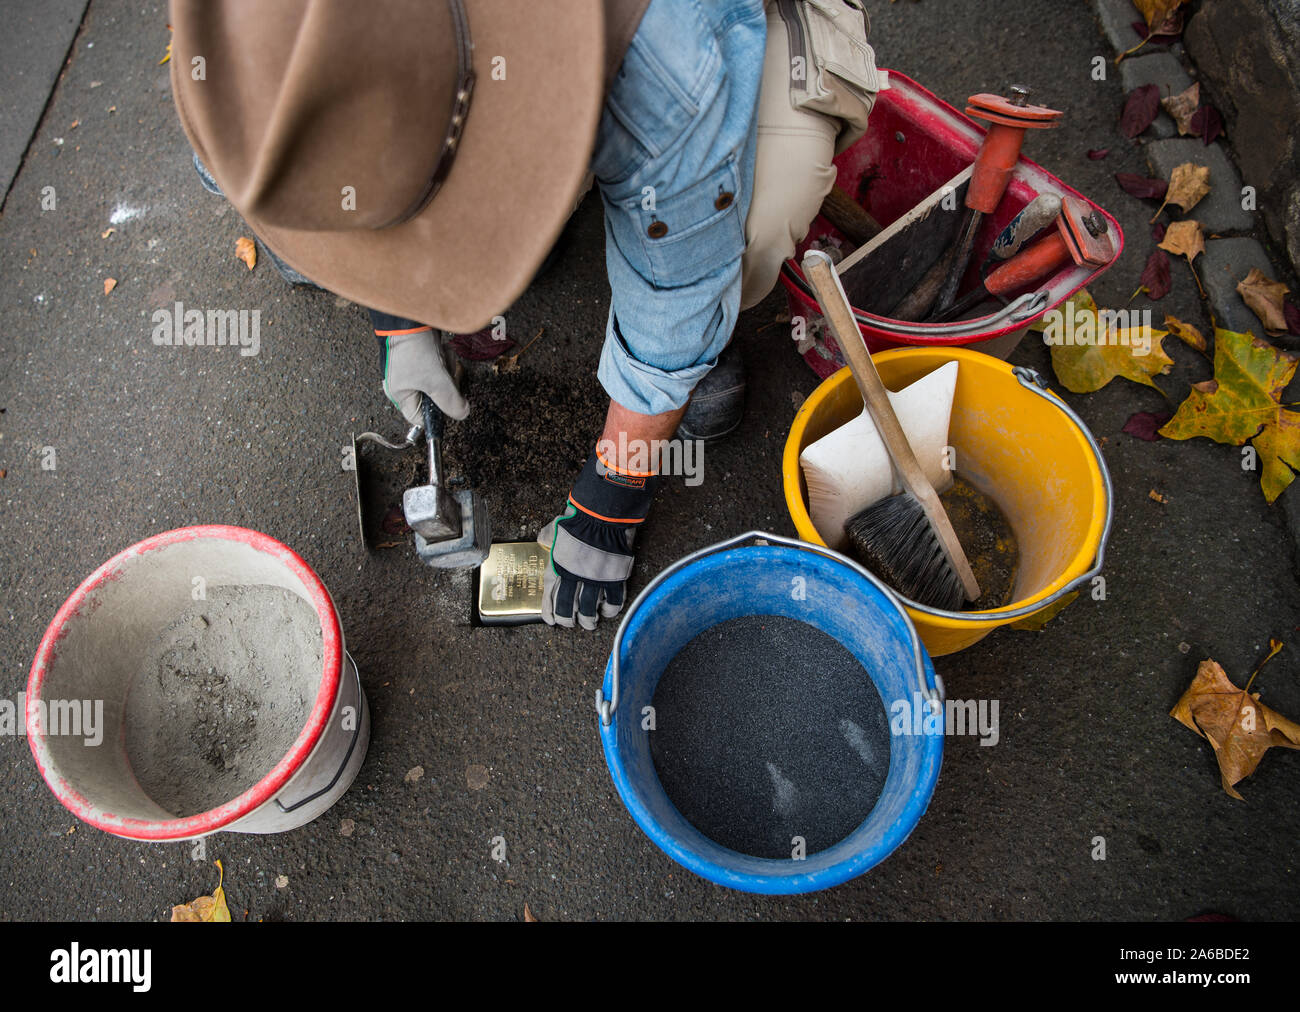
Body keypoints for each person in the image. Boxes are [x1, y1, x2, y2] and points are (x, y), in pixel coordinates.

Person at [170, 0, 878, 630]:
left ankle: (704, 317)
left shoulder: (659, 58)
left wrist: (618, 484)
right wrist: (400, 318)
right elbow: (331, 175)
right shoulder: (242, 67)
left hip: (705, 41)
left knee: (748, 224)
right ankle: (540, 216)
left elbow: (679, 287)